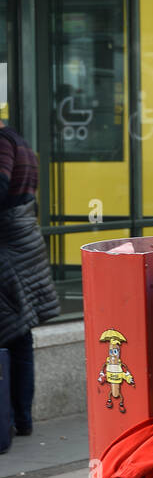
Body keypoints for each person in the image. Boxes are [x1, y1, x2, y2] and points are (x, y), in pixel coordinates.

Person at [0, 119, 60, 440]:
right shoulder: (18, 140)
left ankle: (10, 418)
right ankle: (19, 418)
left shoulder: (1, 143)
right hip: (23, 241)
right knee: (19, 336)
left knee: (12, 336)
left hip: (8, 248)